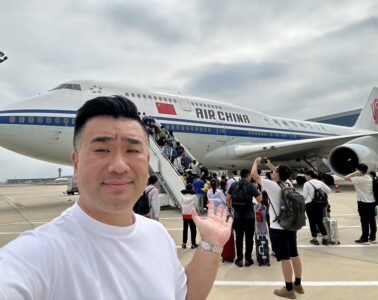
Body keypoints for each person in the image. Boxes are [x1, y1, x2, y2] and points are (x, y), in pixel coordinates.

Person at [0, 95, 233, 300]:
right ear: (76, 163)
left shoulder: (157, 234)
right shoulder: (38, 253)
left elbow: (185, 295)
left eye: (132, 151)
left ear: (147, 160)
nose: (119, 166)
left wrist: (210, 243)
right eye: (102, 150)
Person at [251, 157, 304, 299]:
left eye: (274, 172)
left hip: (278, 227)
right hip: (291, 226)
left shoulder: (272, 186)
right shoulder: (288, 184)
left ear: (277, 175)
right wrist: (270, 165)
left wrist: (256, 162)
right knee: (294, 254)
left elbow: (254, 175)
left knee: (284, 258)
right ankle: (298, 284)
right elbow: (281, 173)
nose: (272, 173)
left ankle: (288, 289)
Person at [226, 168, 262, 267]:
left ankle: (239, 259)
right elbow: (260, 200)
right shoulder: (251, 185)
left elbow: (228, 197)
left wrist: (229, 209)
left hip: (237, 216)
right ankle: (248, 259)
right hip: (249, 217)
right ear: (248, 176)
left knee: (239, 238)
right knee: (249, 239)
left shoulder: (233, 185)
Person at [344, 163, 377, 244]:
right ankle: (372, 237)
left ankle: (364, 238)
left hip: (363, 202)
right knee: (372, 220)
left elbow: (346, 178)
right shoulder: (370, 177)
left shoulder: (359, 179)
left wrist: (355, 173)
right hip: (372, 202)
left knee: (364, 221)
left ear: (359, 170)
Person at [302, 170, 331, 245]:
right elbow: (328, 190)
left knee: (312, 222)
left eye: (305, 175)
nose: (304, 177)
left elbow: (305, 196)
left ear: (309, 176)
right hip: (319, 204)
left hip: (310, 205)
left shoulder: (307, 184)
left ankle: (315, 239)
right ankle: (325, 238)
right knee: (320, 221)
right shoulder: (320, 182)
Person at [181, 183, 198, 249]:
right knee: (193, 229)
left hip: (184, 214)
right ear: (191, 188)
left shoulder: (183, 196)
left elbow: (182, 204)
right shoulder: (194, 196)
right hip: (191, 214)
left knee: (185, 229)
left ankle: (184, 243)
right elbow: (196, 205)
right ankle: (193, 244)